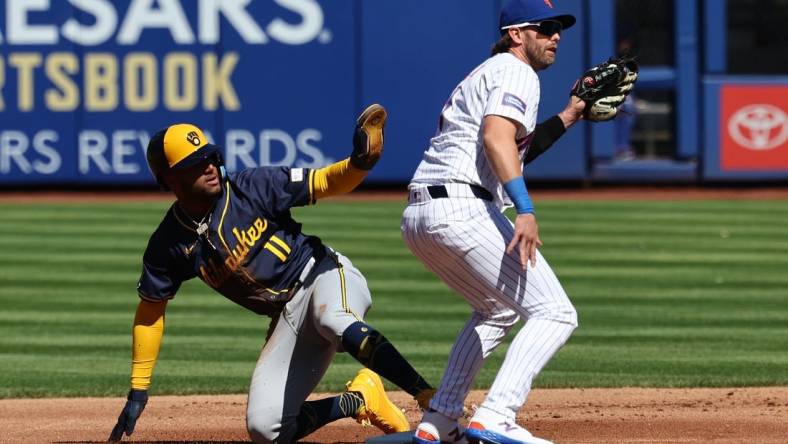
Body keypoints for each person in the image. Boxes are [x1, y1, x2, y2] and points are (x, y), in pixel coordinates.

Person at [108, 105, 436, 443]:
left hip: (322, 275)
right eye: (195, 163)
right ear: (169, 180)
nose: (208, 166)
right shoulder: (169, 244)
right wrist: (139, 388)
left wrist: (359, 164)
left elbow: (326, 181)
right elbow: (151, 311)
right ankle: (362, 398)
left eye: (210, 157)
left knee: (335, 319)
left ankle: (429, 397)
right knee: (267, 429)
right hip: (288, 316)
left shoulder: (253, 187)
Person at [401, 1, 588, 443]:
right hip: (462, 208)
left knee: (498, 309)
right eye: (545, 28)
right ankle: (496, 415)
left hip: (422, 215)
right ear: (517, 34)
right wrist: (525, 208)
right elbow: (496, 138)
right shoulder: (515, 71)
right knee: (555, 313)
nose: (556, 35)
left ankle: (440, 420)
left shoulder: (492, 71)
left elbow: (515, 146)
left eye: (558, 27)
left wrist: (571, 114)